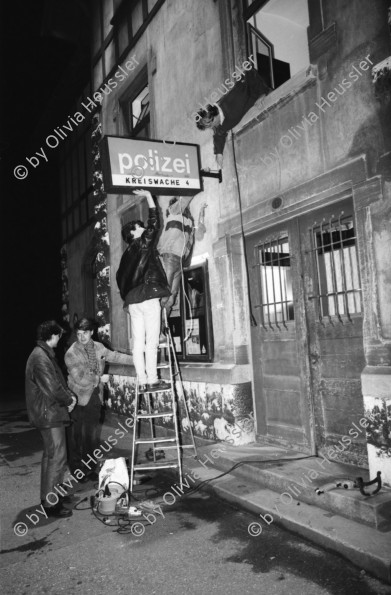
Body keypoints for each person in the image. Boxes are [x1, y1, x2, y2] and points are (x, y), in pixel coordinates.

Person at [116, 189, 170, 392]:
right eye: (140, 228)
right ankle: (153, 379)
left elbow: (120, 281)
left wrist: (127, 300)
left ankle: (141, 380)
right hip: (147, 296)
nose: (144, 228)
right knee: (152, 341)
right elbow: (155, 225)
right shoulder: (141, 244)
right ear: (133, 234)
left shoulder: (124, 257)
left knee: (138, 342)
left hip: (133, 301)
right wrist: (149, 197)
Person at [64, 317, 130, 478]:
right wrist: (100, 379)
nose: (82, 337)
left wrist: (139, 361)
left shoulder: (99, 347)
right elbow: (80, 377)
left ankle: (90, 468)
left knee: (92, 436)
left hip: (94, 397)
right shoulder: (71, 353)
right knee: (76, 437)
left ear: (91, 332)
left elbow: (115, 356)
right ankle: (77, 471)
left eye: (85, 333)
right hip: (77, 399)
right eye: (79, 334)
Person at [25, 320, 77, 518]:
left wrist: (67, 396)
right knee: (57, 457)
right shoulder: (40, 357)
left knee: (50, 456)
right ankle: (51, 504)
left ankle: (49, 497)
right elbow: (52, 387)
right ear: (53, 336)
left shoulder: (41, 354)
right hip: (49, 414)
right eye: (58, 336)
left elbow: (55, 383)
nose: (59, 340)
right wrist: (69, 399)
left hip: (48, 413)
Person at [196, 68, 270, 169]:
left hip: (266, 96)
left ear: (213, 116)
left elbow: (250, 73)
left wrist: (262, 94)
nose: (211, 127)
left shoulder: (232, 99)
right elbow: (219, 134)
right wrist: (219, 154)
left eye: (209, 124)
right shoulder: (219, 124)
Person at [158, 196, 195, 322]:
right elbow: (180, 204)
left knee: (172, 298)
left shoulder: (189, 222)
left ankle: (163, 326)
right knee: (164, 295)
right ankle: (155, 328)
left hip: (179, 261)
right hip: (169, 255)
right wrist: (191, 193)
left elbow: (190, 242)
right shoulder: (174, 214)